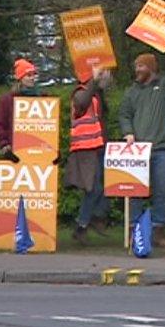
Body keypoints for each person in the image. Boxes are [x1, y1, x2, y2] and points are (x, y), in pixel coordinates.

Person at [118, 50, 165, 248]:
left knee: (161, 191)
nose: (137, 70)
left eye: (141, 66)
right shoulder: (131, 92)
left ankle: (158, 231)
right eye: (136, 66)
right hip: (137, 150)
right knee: (135, 191)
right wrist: (128, 132)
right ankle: (134, 230)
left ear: (151, 67)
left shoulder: (164, 86)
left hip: (161, 149)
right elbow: (124, 114)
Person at [65, 63, 112, 245]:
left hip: (97, 145)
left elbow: (103, 113)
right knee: (94, 189)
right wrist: (94, 80)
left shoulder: (94, 92)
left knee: (99, 187)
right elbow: (82, 103)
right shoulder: (79, 92)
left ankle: (90, 222)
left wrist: (102, 84)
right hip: (86, 147)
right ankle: (85, 224)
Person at [0, 58, 42, 161]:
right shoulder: (7, 100)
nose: (33, 78)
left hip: (37, 152)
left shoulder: (42, 99)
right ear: (20, 78)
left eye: (34, 74)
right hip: (14, 153)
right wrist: (4, 144)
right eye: (29, 75)